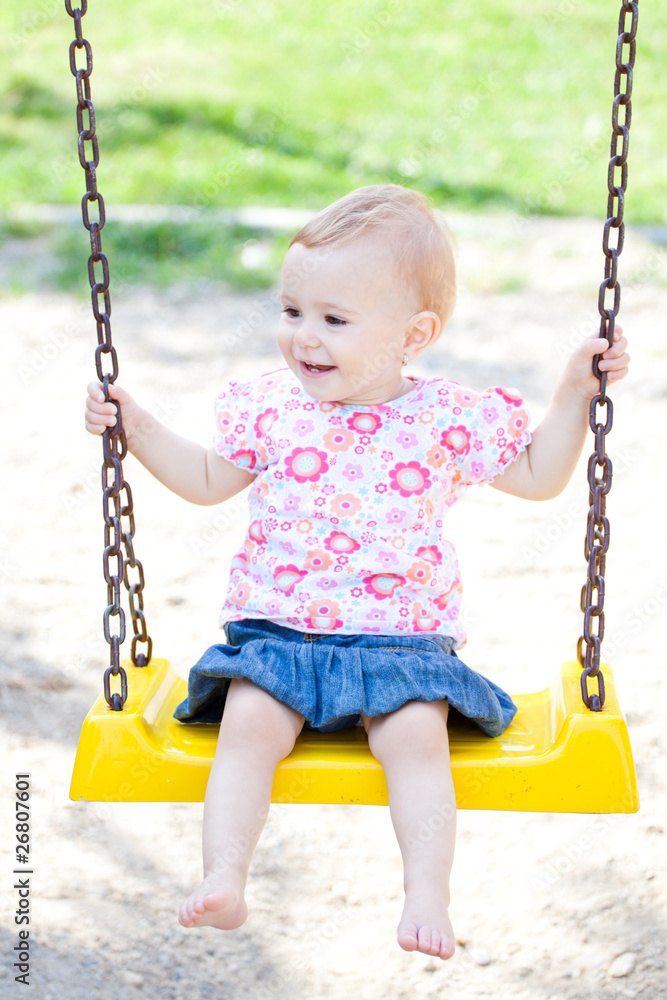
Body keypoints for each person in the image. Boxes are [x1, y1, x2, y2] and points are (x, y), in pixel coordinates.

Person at [84, 184, 630, 960]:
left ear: (415, 334)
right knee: (246, 728)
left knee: (415, 741)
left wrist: (574, 392)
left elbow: (541, 476)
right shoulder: (271, 407)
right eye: (291, 311)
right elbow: (205, 481)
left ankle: (426, 894)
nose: (303, 337)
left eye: (333, 320)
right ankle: (224, 877)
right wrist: (135, 427)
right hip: (277, 638)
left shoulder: (445, 420)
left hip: (399, 646)